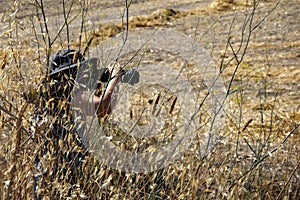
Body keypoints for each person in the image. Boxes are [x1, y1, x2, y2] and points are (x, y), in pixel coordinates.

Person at [33, 49, 125, 199]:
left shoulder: (49, 96)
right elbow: (104, 107)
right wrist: (115, 77)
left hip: (47, 177)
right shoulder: (71, 93)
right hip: (63, 179)